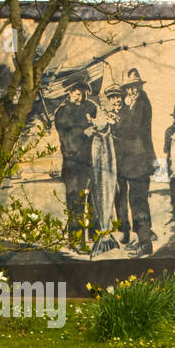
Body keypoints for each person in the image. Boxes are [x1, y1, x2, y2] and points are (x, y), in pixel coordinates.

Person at [115, 71, 156, 255]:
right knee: (137, 201)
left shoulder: (141, 103)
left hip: (139, 163)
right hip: (134, 164)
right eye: (128, 88)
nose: (131, 90)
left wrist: (116, 122)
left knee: (138, 202)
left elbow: (131, 129)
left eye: (134, 86)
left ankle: (145, 244)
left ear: (140, 86)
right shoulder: (134, 104)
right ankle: (142, 237)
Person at [53, 77, 97, 248]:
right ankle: (76, 240)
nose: (80, 98)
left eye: (83, 94)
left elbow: (96, 124)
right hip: (71, 165)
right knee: (75, 203)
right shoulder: (62, 113)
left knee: (92, 200)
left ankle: (95, 235)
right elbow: (66, 138)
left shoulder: (90, 107)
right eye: (78, 94)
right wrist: (84, 132)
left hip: (88, 163)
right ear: (70, 93)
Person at [86, 85, 123, 255]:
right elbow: (99, 126)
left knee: (110, 193)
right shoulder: (98, 121)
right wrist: (95, 125)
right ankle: (102, 234)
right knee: (97, 194)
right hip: (96, 166)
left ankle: (107, 234)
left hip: (111, 167)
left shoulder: (114, 117)